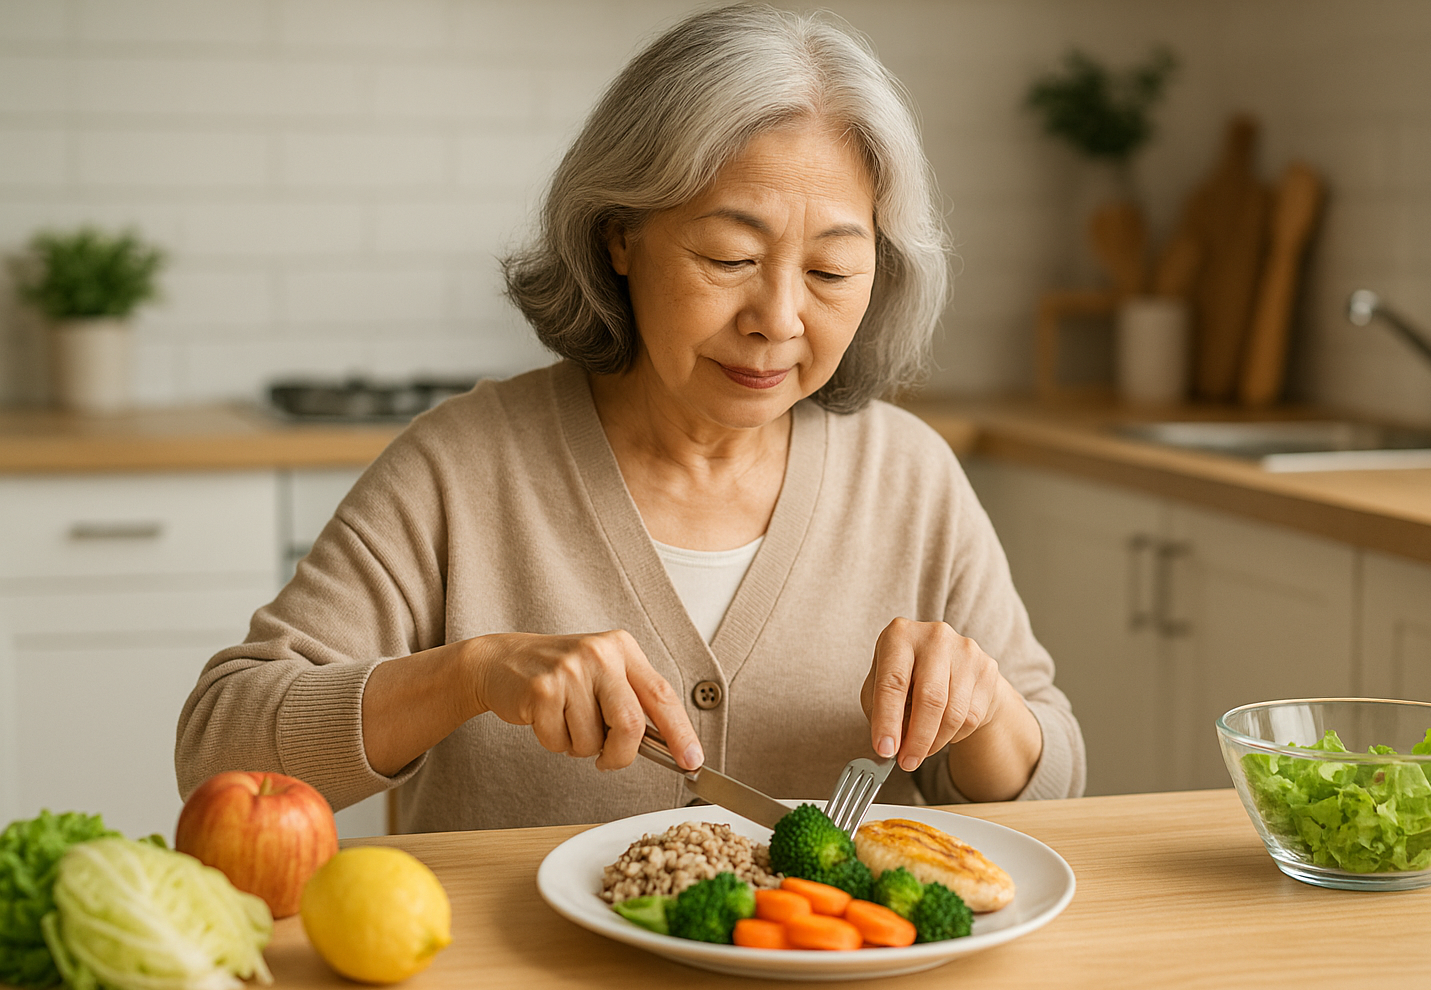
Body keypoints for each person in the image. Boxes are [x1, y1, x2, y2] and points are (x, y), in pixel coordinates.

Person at [176, 4, 1086, 833]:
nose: (777, 317)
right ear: (620, 235)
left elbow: (1056, 783)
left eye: (830, 272)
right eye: (730, 256)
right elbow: (219, 746)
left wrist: (985, 709)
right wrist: (471, 673)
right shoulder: (461, 467)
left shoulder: (910, 478)